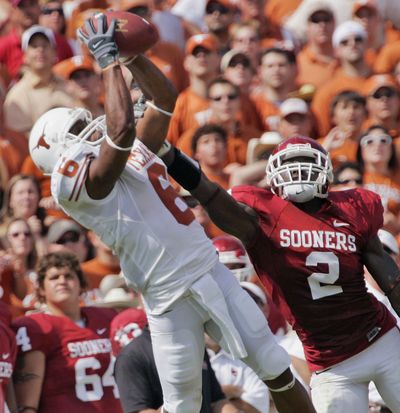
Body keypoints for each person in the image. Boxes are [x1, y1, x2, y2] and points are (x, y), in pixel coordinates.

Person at [27, 14, 315, 413]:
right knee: (181, 404)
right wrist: (108, 60)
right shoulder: (75, 186)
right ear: (60, 156)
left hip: (207, 267)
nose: (89, 129)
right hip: (165, 298)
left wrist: (132, 57)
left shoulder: (126, 148)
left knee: (276, 368)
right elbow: (121, 128)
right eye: (78, 131)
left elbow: (163, 99)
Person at [161, 135, 400, 412]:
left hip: (381, 340)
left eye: (306, 161)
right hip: (330, 365)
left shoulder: (352, 209)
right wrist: (173, 158)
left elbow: (391, 280)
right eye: (292, 162)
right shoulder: (263, 217)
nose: (299, 168)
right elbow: (210, 194)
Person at [11, 252, 122, 413]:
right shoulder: (36, 326)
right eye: (54, 277)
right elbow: (27, 405)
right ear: (41, 288)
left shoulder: (107, 317)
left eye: (69, 276)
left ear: (82, 284)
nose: (62, 281)